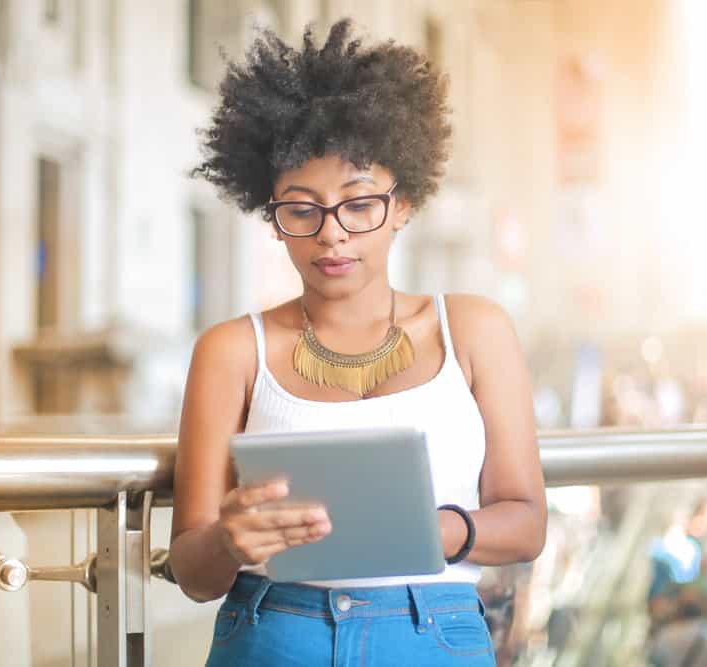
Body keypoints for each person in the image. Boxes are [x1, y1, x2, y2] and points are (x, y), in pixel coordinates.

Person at [168, 19, 547, 667]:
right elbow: (193, 569)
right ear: (273, 218)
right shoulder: (231, 351)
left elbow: (527, 522)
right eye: (301, 208)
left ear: (403, 204)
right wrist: (229, 540)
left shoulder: (476, 330)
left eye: (359, 203)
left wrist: (437, 529)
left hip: (432, 633)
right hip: (274, 631)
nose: (332, 234)